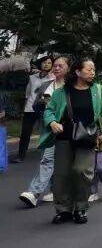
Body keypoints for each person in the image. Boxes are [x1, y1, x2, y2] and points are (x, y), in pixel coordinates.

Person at [41, 58, 102, 225]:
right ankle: (63, 210)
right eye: (89, 69)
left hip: (86, 137)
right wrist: (52, 122)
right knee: (62, 175)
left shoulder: (98, 90)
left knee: (81, 172)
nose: (93, 72)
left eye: (94, 69)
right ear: (78, 72)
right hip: (64, 138)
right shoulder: (62, 92)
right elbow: (49, 110)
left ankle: (80, 208)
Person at [19, 55, 70, 208]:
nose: (56, 68)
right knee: (49, 158)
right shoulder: (46, 85)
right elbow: (35, 107)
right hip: (48, 128)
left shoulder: (71, 87)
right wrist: (43, 105)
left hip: (66, 128)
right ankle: (44, 191)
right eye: (55, 65)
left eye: (60, 66)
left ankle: (37, 192)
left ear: (68, 69)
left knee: (55, 160)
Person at [13, 54, 52, 163]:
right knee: (25, 133)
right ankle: (20, 156)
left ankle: (46, 156)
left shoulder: (53, 78)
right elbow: (28, 93)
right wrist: (24, 108)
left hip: (45, 109)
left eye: (49, 63)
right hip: (30, 108)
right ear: (41, 63)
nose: (46, 65)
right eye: (44, 62)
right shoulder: (32, 77)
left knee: (46, 132)